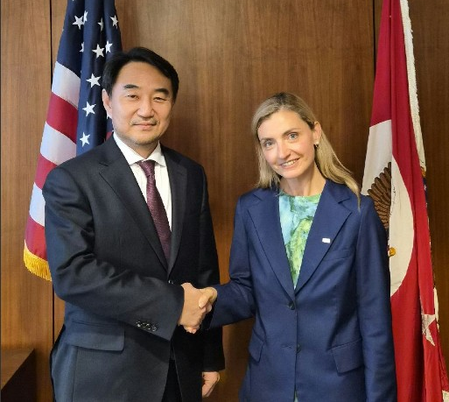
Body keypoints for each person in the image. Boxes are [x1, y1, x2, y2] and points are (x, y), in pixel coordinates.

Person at [43, 47, 224, 402]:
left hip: (180, 367)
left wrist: (209, 356)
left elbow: (204, 269)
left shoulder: (191, 173)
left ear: (171, 104)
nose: (146, 110)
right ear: (107, 102)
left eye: (159, 97)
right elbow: (73, 274)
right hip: (103, 373)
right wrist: (174, 305)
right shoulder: (71, 179)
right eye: (132, 96)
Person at [194, 93, 397, 401]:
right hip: (268, 383)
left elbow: (374, 318)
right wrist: (210, 298)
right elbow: (246, 290)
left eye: (291, 135)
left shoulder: (357, 211)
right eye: (269, 143)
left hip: (337, 387)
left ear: (315, 132)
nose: (282, 152)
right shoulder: (251, 208)